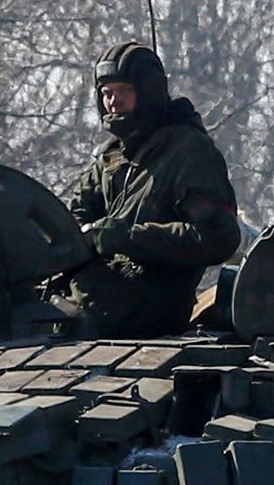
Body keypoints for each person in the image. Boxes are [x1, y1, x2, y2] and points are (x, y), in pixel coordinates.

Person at [62, 42, 243, 336]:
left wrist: (128, 238)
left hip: (148, 314)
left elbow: (217, 236)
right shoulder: (112, 158)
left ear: (148, 92)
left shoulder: (188, 152)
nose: (113, 102)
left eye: (123, 91)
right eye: (106, 93)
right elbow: (72, 218)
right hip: (89, 305)